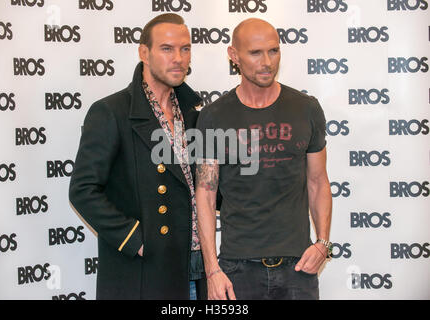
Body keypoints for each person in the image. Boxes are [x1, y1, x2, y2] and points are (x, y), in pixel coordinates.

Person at [69, 13, 206, 300]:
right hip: (144, 271)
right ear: (144, 52)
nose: (179, 58)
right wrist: (136, 239)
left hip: (196, 268)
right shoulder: (112, 111)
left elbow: (203, 187)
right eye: (167, 49)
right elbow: (83, 190)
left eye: (185, 48)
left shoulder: (195, 114)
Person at [195, 18, 332, 300]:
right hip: (236, 268)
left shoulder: (306, 109)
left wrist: (322, 243)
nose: (267, 62)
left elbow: (318, 182)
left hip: (298, 267)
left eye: (274, 51)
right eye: (255, 53)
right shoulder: (213, 116)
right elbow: (206, 196)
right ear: (234, 55)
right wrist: (212, 270)